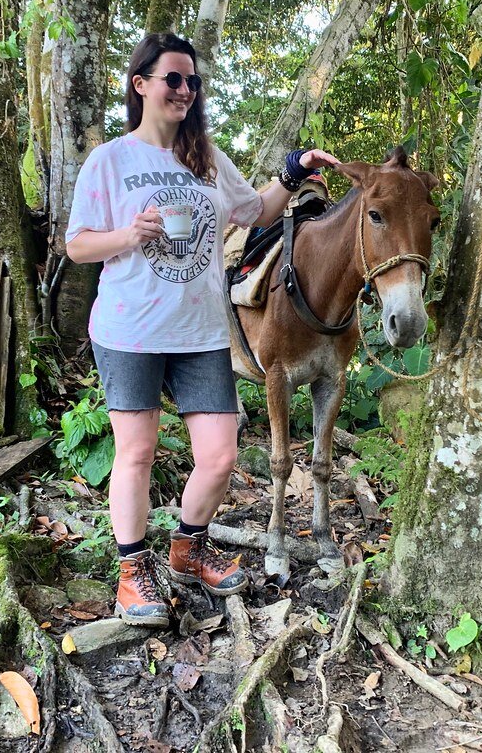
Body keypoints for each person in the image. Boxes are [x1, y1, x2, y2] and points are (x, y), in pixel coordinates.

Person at [65, 33, 340, 628]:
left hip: (200, 331)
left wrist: (294, 172)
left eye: (193, 82)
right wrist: (127, 236)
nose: (186, 90)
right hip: (131, 329)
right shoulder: (110, 160)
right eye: (174, 79)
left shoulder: (207, 160)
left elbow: (257, 212)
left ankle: (188, 551)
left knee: (219, 456)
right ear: (141, 85)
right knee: (135, 453)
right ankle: (133, 572)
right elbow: (78, 244)